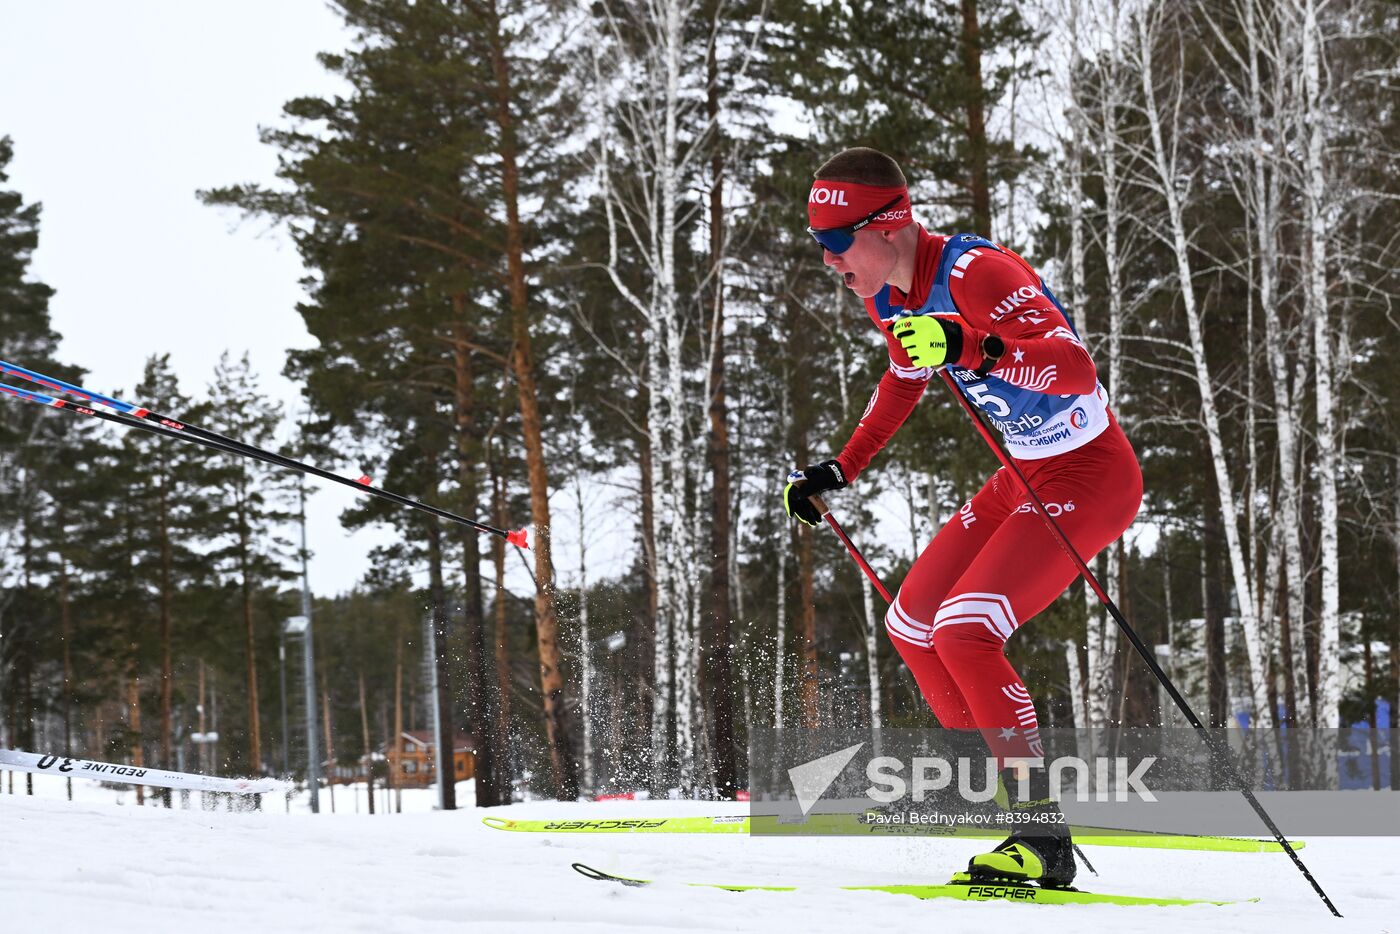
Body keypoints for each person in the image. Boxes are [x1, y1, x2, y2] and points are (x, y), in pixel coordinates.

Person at [783, 147, 1142, 887]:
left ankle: (1043, 839)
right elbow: (902, 382)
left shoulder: (977, 274)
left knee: (966, 630)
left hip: (1091, 471)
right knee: (912, 626)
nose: (829, 262)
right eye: (820, 246)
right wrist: (840, 470)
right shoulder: (886, 295)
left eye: (836, 243)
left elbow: (1075, 367)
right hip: (1021, 473)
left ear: (887, 226)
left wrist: (971, 344)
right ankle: (1008, 793)